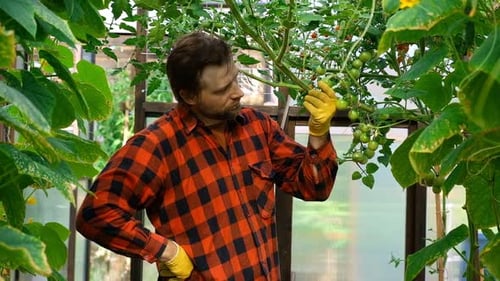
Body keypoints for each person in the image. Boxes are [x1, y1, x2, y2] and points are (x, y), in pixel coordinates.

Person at [76, 31, 339, 281]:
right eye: (223, 89)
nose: (238, 92)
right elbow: (96, 214)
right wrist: (165, 250)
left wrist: (318, 132)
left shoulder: (256, 127)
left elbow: (314, 187)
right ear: (189, 95)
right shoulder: (157, 146)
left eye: (235, 79)